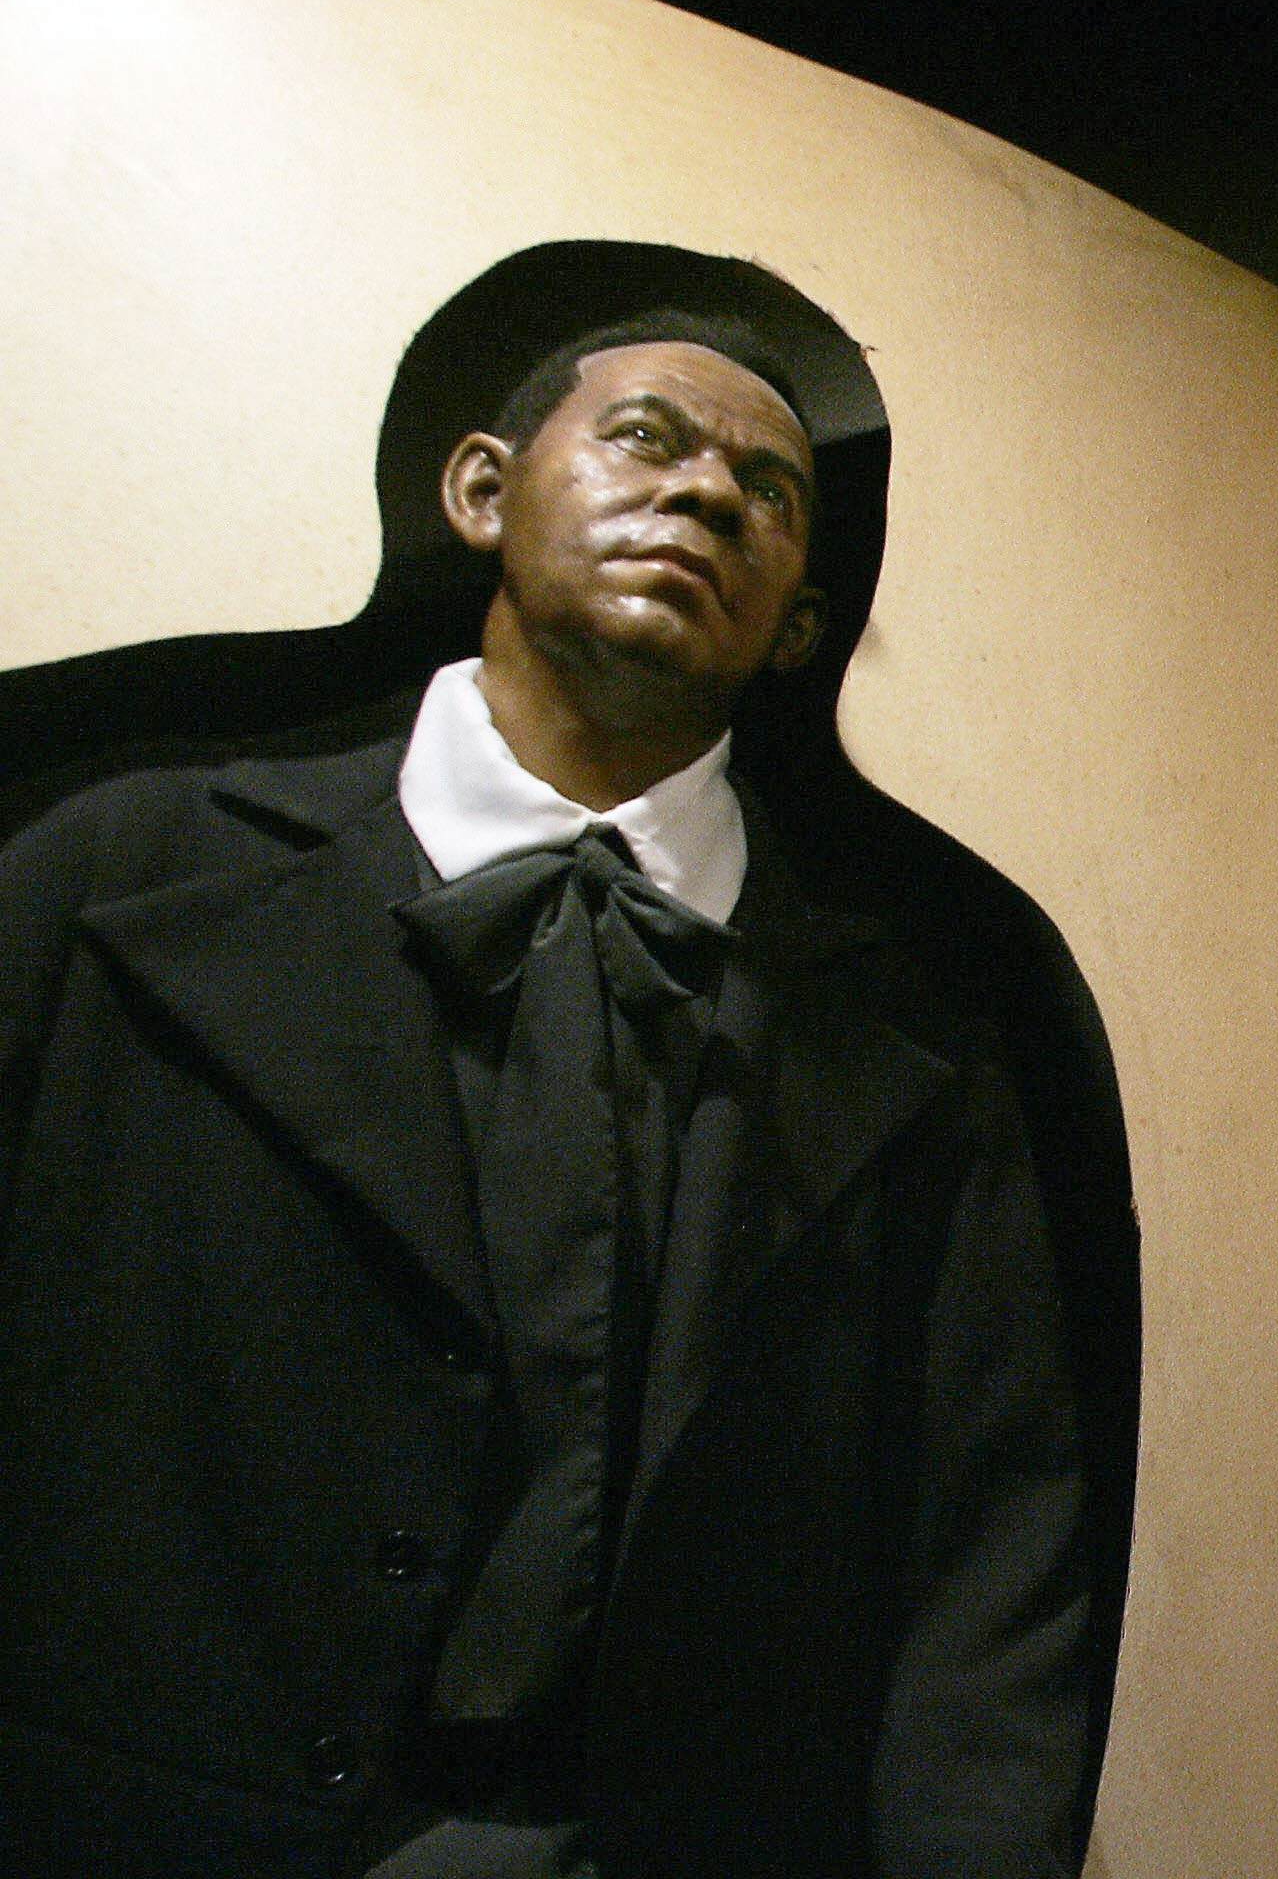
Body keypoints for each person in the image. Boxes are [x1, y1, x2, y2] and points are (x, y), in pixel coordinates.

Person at [0, 311, 1099, 1877]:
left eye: (772, 494)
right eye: (649, 436)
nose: (714, 495)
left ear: (796, 628)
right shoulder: (114, 879)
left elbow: (992, 1567)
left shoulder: (922, 1047)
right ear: (478, 492)